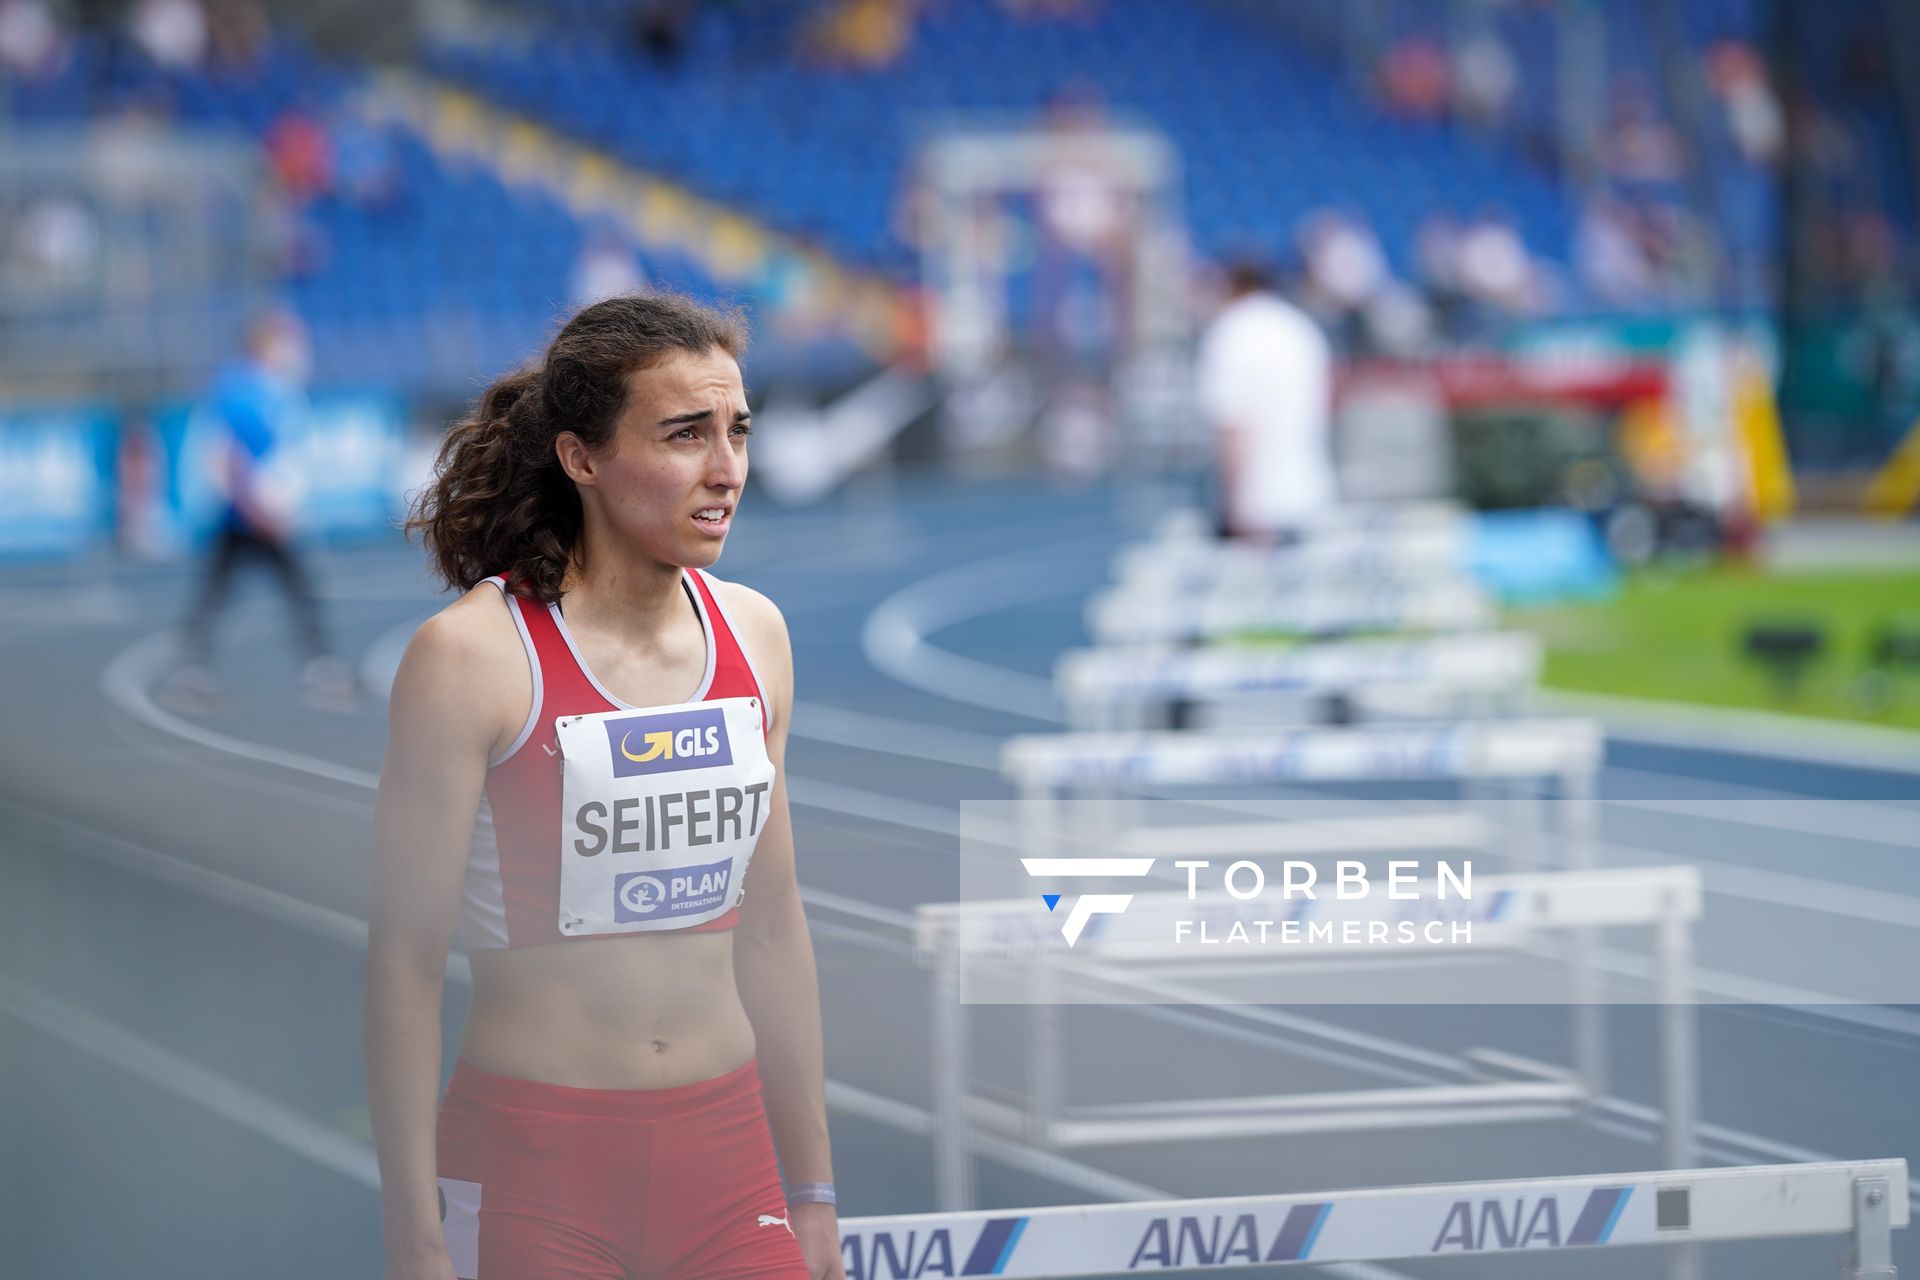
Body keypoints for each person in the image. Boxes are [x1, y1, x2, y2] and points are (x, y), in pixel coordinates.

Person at [367, 293, 840, 1280]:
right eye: (685, 435)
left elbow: (773, 925)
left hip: (729, 1159)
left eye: (737, 431)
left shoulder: (756, 636)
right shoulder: (471, 659)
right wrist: (415, 1231)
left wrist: (814, 1193)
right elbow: (404, 960)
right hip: (536, 1170)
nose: (727, 469)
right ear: (582, 457)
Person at [166, 308, 355, 711]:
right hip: (245, 516)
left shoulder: (277, 389)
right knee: (284, 587)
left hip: (262, 514)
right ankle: (320, 666)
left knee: (225, 589)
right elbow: (229, 454)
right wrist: (256, 510)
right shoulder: (241, 388)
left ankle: (193, 669)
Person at [1195, 260, 1337, 540]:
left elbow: (1234, 426)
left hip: (1258, 513)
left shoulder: (1231, 332)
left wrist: (1237, 508)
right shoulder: (1301, 327)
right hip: (1311, 497)